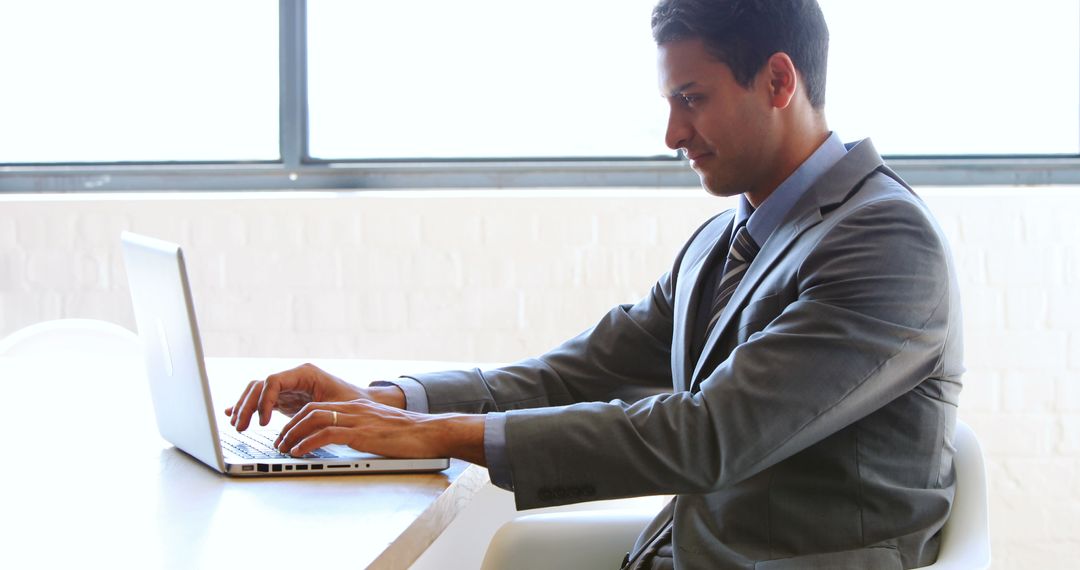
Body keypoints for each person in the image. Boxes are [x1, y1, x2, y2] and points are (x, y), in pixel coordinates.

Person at [226, 0, 963, 568]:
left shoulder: (885, 243)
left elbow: (707, 435)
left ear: (777, 80)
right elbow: (575, 372)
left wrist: (431, 435)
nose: (673, 134)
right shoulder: (721, 240)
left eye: (692, 98)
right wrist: (386, 400)